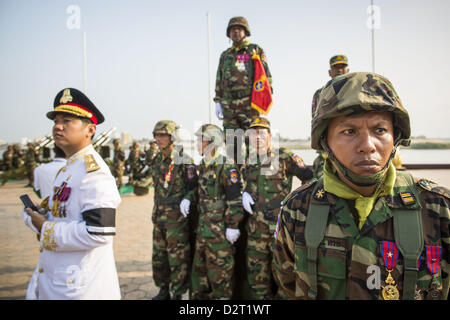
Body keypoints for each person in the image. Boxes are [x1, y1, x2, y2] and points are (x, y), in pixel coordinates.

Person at [272, 72, 450, 300]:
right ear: (325, 142)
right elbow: (287, 285)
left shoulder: (438, 208)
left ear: (395, 137)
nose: (367, 146)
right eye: (349, 131)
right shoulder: (298, 209)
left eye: (379, 130)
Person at [22, 87, 122, 299]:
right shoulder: (68, 169)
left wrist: (45, 228)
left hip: (80, 288)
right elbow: (63, 213)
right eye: (56, 120)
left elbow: (99, 232)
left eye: (67, 121)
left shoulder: (93, 173)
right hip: (60, 281)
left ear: (90, 130)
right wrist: (37, 215)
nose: (58, 126)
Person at [242, 117, 313, 299]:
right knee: (256, 278)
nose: (257, 137)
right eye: (253, 133)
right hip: (255, 232)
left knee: (284, 279)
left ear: (270, 136)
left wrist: (296, 202)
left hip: (280, 233)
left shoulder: (283, 156)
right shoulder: (247, 161)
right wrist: (243, 192)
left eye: (261, 133)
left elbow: (309, 177)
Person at [183, 124, 243, 299]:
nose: (196, 143)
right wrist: (188, 196)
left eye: (199, 140)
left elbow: (234, 199)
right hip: (203, 232)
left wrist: (232, 225)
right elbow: (200, 190)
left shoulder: (225, 167)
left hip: (219, 235)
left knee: (220, 280)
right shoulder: (202, 165)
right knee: (198, 279)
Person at [149, 120, 198, 300]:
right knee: (159, 256)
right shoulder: (156, 159)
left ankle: (177, 293)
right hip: (159, 216)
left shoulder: (184, 161)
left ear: (172, 137)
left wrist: (187, 198)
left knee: (177, 257)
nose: (158, 138)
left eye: (163, 135)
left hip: (176, 219)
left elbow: (194, 188)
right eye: (156, 135)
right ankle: (163, 289)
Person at [214, 16, 272, 163]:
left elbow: (265, 75)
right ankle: (237, 177)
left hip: (249, 104)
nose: (236, 32)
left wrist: (267, 94)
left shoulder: (254, 50)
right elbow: (219, 78)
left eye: (239, 29)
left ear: (246, 31)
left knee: (254, 142)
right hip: (228, 105)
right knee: (232, 144)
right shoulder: (225, 55)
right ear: (229, 34)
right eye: (233, 30)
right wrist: (218, 101)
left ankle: (253, 176)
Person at [26, 145, 66, 300]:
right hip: (61, 222)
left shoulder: (40, 169)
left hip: (45, 218)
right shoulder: (74, 169)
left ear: (53, 151)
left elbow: (36, 190)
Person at [311, 55, 350, 179]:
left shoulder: (356, 91)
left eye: (342, 67)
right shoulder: (320, 94)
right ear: (329, 72)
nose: (339, 70)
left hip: (351, 147)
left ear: (348, 70)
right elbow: (316, 122)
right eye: (336, 67)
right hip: (328, 151)